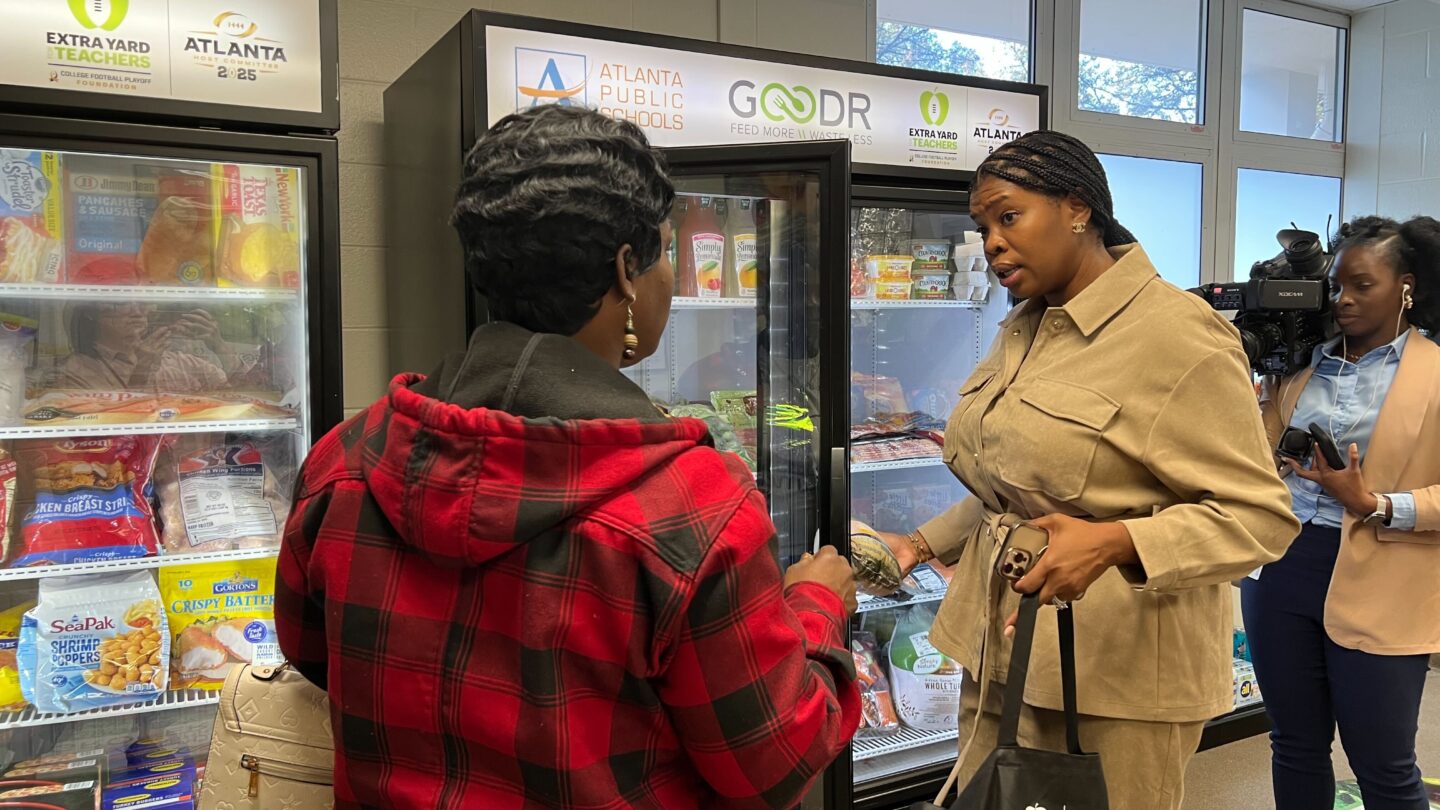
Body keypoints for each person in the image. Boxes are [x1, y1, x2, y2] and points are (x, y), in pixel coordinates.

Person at [273, 104, 860, 809]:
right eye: (665, 252)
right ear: (625, 273)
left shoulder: (344, 461)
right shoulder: (695, 508)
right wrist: (818, 604)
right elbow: (776, 762)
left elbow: (314, 654)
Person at [874, 131, 1300, 810]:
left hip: (1119, 675)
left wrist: (1116, 542)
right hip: (1001, 646)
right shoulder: (1028, 324)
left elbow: (1261, 518)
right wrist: (919, 545)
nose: (991, 243)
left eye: (1008, 217)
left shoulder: (1177, 334)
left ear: (1078, 208)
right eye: (982, 226)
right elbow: (1018, 487)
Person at [1244, 215, 1440, 810]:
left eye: (1362, 285)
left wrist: (1377, 503)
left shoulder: (1434, 373)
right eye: (1336, 287)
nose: (1344, 300)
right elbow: (1257, 448)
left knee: (1383, 764)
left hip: (1385, 577)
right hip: (1283, 566)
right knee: (1295, 745)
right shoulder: (1302, 364)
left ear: (1406, 287)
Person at [58, 302, 249, 392]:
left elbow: (244, 396)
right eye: (122, 303)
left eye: (143, 302)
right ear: (91, 313)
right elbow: (106, 435)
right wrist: (140, 373)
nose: (139, 311)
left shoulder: (181, 363)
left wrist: (220, 346)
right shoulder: (74, 373)